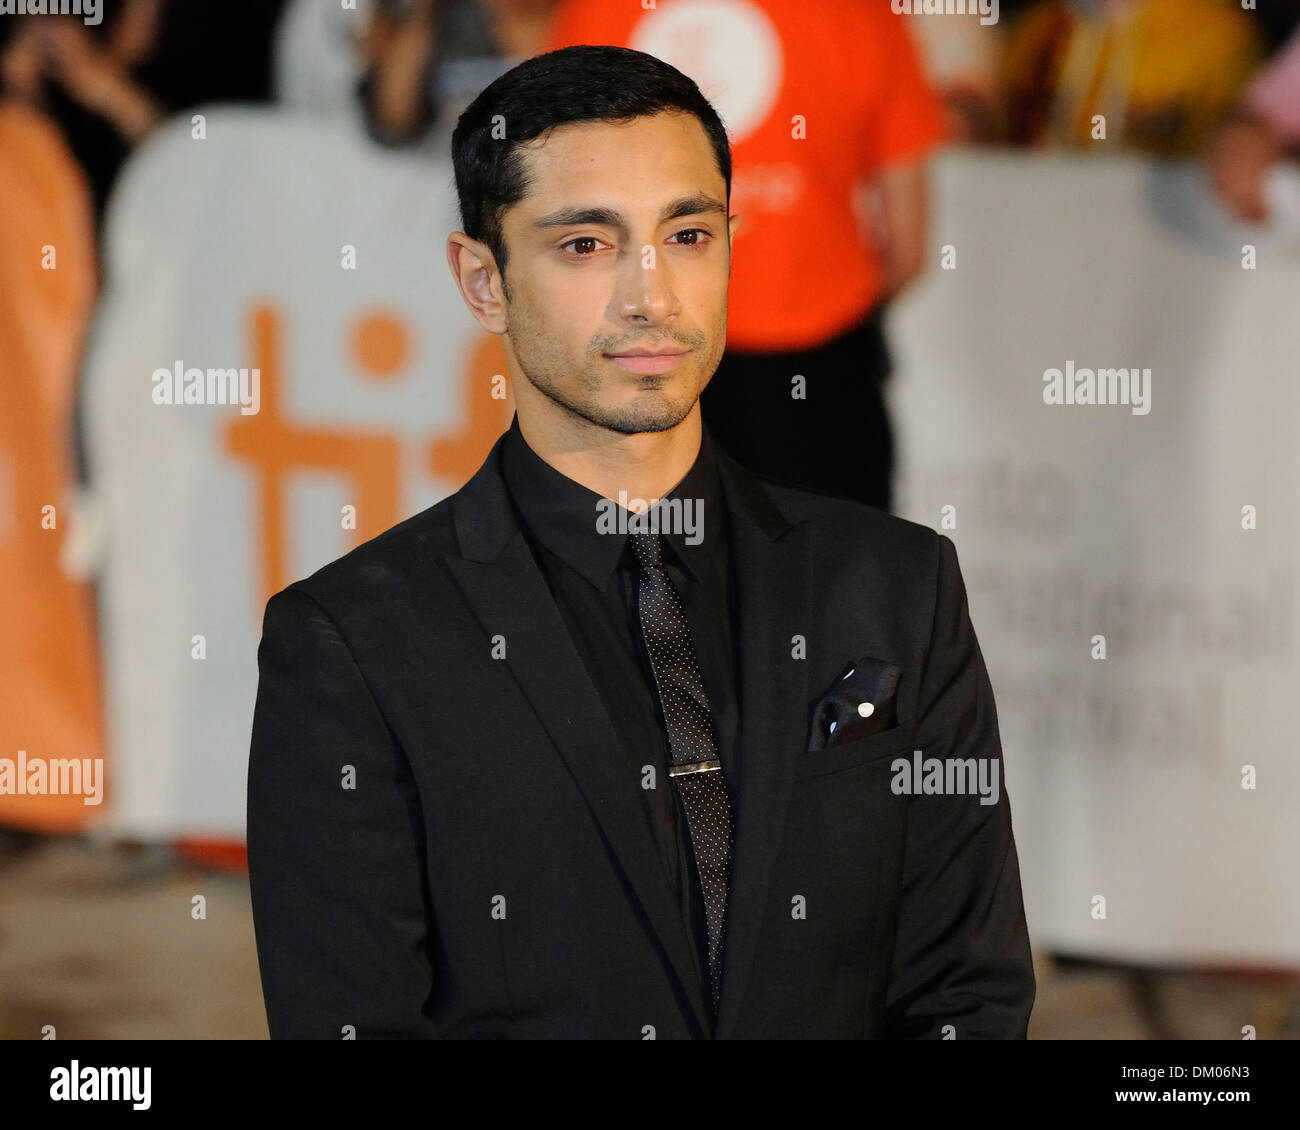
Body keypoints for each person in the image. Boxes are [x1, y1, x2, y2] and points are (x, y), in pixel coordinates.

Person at [246, 44, 1035, 1040]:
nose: (651, 296)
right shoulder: (354, 644)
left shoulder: (897, 587)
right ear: (483, 281)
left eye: (688, 233)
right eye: (585, 245)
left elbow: (967, 992)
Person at [542, 0, 949, 512]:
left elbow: (554, 214)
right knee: (831, 582)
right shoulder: (861, 13)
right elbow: (908, 246)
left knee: (640, 585)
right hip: (820, 380)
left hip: (636, 370)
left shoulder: (594, 12)